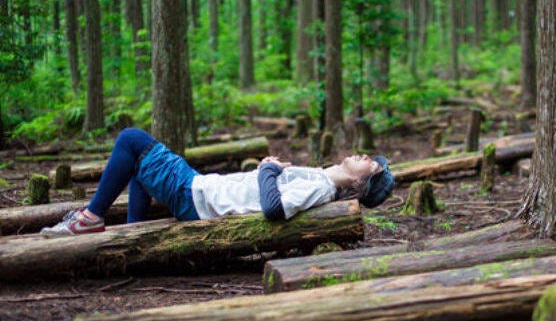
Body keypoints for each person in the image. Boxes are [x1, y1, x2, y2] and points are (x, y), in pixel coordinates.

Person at [41, 127, 395, 237]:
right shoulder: (320, 177)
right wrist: (269, 171)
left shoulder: (320, 188)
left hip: (197, 198)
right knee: (136, 165)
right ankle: (132, 232)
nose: (367, 157)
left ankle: (91, 218)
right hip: (200, 189)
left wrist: (267, 170)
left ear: (361, 185)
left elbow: (273, 210)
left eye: (372, 165)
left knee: (131, 139)